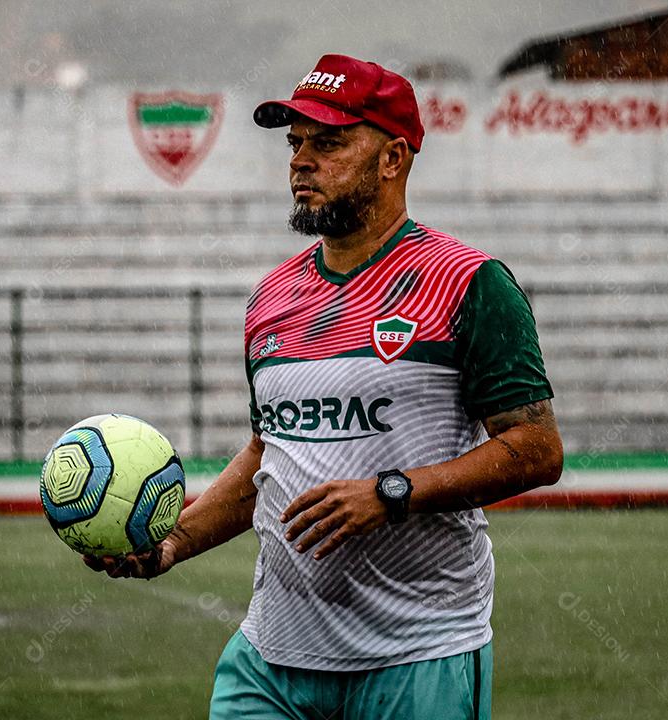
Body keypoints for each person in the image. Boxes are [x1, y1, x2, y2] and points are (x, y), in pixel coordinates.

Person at [85, 53, 563, 719]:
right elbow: (267, 454)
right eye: (295, 142)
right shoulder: (271, 297)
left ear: (393, 158)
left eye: (329, 142)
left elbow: (536, 449)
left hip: (417, 655)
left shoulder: (471, 283)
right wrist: (176, 541)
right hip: (272, 660)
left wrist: (392, 493)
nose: (299, 161)